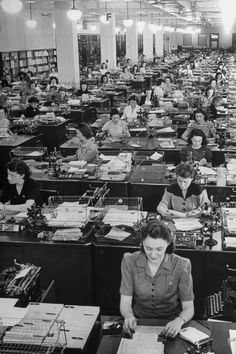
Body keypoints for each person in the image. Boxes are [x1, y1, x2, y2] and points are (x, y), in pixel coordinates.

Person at [120, 220, 194, 337]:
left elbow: (189, 307)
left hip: (171, 323)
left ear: (168, 243)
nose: (153, 255)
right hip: (139, 321)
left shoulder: (182, 264)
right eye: (148, 248)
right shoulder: (129, 261)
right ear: (142, 243)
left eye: (159, 249)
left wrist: (179, 321)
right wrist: (129, 316)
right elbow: (125, 302)